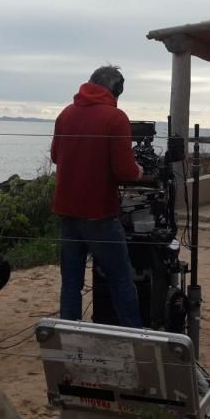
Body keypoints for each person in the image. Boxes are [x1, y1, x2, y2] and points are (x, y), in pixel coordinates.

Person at [51, 65, 144, 328]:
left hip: (67, 212)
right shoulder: (116, 118)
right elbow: (124, 171)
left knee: (71, 282)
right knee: (121, 280)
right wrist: (138, 172)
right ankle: (134, 337)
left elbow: (57, 157)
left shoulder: (65, 114)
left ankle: (69, 337)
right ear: (115, 91)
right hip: (100, 214)